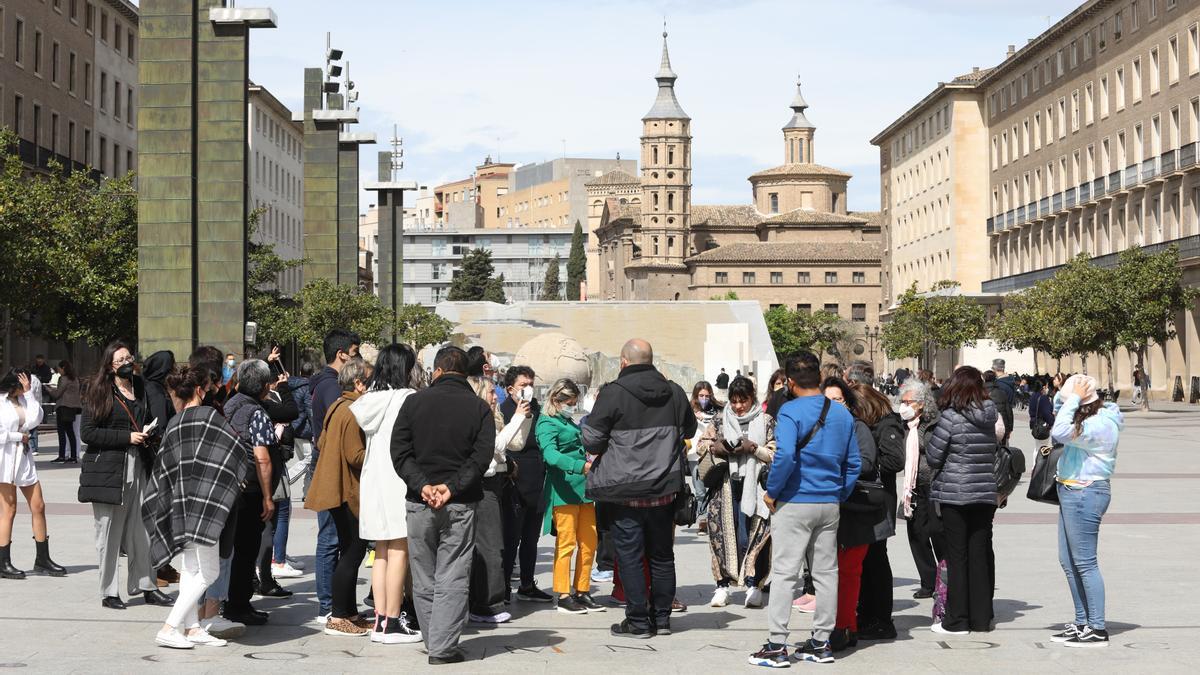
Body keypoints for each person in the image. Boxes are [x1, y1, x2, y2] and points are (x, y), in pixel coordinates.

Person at [748, 352, 859, 667]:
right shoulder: (842, 414)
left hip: (796, 501)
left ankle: (776, 645)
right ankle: (821, 643)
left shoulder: (790, 411)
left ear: (791, 382)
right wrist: (838, 493)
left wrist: (772, 492)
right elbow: (853, 464)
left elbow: (784, 458)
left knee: (784, 572)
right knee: (826, 574)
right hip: (829, 502)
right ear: (820, 377)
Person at [582, 338, 697, 639]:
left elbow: (592, 440)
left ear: (623, 362)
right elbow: (690, 430)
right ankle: (662, 619)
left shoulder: (613, 393)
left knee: (630, 557)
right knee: (662, 555)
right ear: (651, 360)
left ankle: (637, 621)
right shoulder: (674, 392)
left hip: (626, 490)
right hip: (665, 489)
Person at [391, 346, 495, 665]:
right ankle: (442, 645)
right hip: (460, 502)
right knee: (453, 573)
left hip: (419, 502)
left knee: (423, 573)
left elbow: (399, 453)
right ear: (465, 374)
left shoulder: (413, 402)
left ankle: (435, 638)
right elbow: (481, 458)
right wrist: (450, 488)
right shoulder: (478, 408)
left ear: (436, 372)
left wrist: (423, 485)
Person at [141, 365, 246, 649]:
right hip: (206, 505)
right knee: (209, 573)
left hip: (181, 504)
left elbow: (164, 470)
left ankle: (193, 627)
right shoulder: (211, 417)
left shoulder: (175, 423)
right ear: (200, 389)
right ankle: (169, 626)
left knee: (190, 569)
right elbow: (235, 451)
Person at [80, 341, 172, 609]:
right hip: (110, 470)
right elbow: (88, 433)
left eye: (129, 357)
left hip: (140, 465)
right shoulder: (99, 391)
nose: (127, 363)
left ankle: (147, 585)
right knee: (108, 534)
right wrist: (126, 437)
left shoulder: (139, 387)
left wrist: (147, 432)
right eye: (121, 360)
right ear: (110, 365)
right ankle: (109, 592)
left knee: (143, 530)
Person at [352, 344, 423, 644]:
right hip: (400, 480)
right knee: (399, 551)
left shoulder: (369, 400)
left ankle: (381, 619)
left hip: (374, 481)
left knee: (381, 551)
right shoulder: (409, 399)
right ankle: (392, 622)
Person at [1049, 374, 1122, 648]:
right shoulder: (1088, 416)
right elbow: (1057, 412)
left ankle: (1098, 628)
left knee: (1085, 562)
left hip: (1086, 492)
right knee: (1068, 561)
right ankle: (1082, 622)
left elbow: (1059, 432)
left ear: (1083, 403)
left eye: (1074, 402)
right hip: (1071, 490)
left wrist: (1076, 396)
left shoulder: (1100, 425)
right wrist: (1067, 393)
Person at [926, 365, 999, 635]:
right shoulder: (990, 414)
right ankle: (981, 619)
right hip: (984, 492)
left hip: (955, 494)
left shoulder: (950, 417)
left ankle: (957, 620)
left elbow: (934, 457)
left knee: (957, 557)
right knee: (979, 554)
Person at [306, 358, 372, 637]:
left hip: (336, 488)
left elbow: (321, 441)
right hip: (347, 490)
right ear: (358, 383)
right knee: (353, 552)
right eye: (370, 382)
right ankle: (339, 616)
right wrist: (377, 451)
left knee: (349, 550)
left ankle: (348, 612)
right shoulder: (352, 411)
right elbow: (355, 455)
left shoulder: (337, 406)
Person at [699, 375, 775, 609]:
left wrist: (754, 448)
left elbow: (775, 452)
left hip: (757, 486)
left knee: (755, 536)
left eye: (743, 400)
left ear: (752, 398)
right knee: (722, 535)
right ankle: (722, 585)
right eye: (734, 401)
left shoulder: (766, 421)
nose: (738, 406)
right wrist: (716, 447)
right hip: (725, 487)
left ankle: (754, 584)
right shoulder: (721, 420)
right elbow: (702, 445)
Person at [220, 360, 280, 626]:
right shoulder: (257, 413)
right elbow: (262, 458)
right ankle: (238, 605)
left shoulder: (230, 404)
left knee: (231, 548)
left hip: (229, 485)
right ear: (266, 387)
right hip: (250, 489)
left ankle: (227, 600)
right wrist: (268, 497)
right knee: (246, 549)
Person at [535, 378, 601, 615]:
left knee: (589, 541)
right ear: (556, 400)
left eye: (575, 402)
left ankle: (582, 590)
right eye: (569, 402)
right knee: (566, 544)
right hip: (563, 490)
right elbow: (551, 456)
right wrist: (578, 466)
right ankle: (563, 594)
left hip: (583, 490)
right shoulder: (546, 423)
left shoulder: (568, 421)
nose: (573, 406)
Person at [467, 372, 529, 624]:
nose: (496, 396)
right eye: (491, 392)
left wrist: (521, 419)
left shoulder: (492, 417)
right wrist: (517, 419)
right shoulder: (478, 419)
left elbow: (513, 446)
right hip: (484, 485)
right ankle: (486, 604)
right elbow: (496, 447)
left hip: (497, 483)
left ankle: (487, 599)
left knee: (493, 543)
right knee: (490, 545)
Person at [309, 329, 361, 625]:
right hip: (334, 469)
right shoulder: (333, 388)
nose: (357, 356)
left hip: (332, 465)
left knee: (337, 539)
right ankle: (329, 606)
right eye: (354, 351)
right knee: (332, 539)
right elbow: (340, 435)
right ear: (342, 354)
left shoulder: (325, 383)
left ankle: (335, 605)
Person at [0, 369, 65, 579]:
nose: (27, 387)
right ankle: (3, 562)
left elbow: (36, 419)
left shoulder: (24, 400)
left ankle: (42, 559)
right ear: (14, 383)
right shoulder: (1, 402)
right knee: (8, 510)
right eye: (24, 383)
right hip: (6, 459)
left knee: (38, 505)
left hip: (23, 459)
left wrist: (28, 394)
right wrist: (18, 435)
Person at [498, 365, 552, 603]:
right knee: (511, 537)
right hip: (514, 479)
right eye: (523, 385)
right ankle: (503, 586)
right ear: (511, 389)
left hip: (536, 479)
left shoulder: (538, 410)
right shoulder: (504, 411)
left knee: (531, 537)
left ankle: (528, 584)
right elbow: (505, 444)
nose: (528, 389)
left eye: (531, 384)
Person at [255, 353, 299, 600]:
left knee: (263, 525)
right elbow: (291, 411)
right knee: (272, 521)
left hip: (264, 470)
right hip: (269, 470)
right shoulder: (265, 403)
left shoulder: (238, 402)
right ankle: (270, 570)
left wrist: (265, 358)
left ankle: (262, 574)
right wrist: (284, 386)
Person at [897, 379, 944, 600]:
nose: (903, 406)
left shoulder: (936, 423)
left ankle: (945, 580)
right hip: (912, 486)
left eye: (908, 401)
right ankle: (928, 581)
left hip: (934, 485)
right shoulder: (904, 424)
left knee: (937, 532)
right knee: (916, 534)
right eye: (902, 401)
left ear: (922, 403)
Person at [47, 360, 83, 463]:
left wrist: (49, 390)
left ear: (63, 368)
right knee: (71, 432)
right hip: (72, 408)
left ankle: (62, 455)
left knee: (62, 433)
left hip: (63, 406)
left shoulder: (63, 379)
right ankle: (73, 456)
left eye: (59, 369)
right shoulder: (75, 379)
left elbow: (57, 394)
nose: (58, 371)